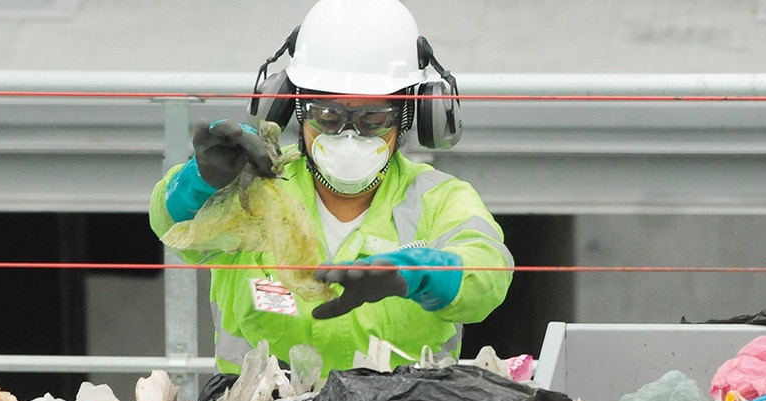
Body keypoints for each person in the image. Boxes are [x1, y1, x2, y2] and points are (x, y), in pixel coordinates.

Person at [149, 0, 513, 376]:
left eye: (373, 119)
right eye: (329, 116)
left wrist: (415, 273)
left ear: (410, 116)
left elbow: (488, 275)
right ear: (293, 107)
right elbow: (169, 225)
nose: (349, 136)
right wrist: (199, 182)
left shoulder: (440, 199)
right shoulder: (249, 191)